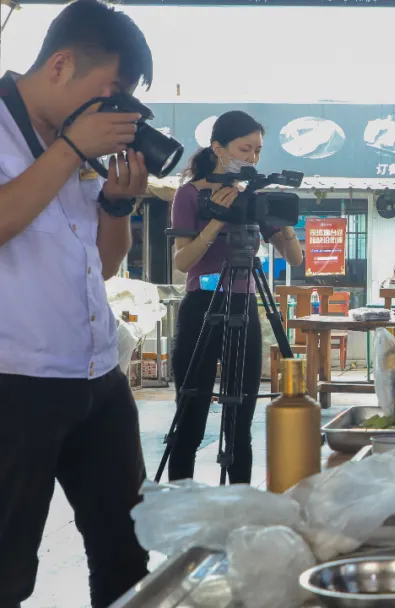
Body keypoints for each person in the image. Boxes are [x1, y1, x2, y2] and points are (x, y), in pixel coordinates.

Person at [0, 1, 153, 605]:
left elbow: (107, 262)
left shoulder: (78, 146)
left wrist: (117, 204)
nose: (114, 109)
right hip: (15, 380)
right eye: (110, 90)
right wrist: (68, 150)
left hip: (96, 372)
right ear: (61, 64)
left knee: (127, 547)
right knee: (8, 562)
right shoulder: (60, 142)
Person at [169, 110, 304, 484]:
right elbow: (183, 262)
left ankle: (239, 502)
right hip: (202, 306)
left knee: (241, 417)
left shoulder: (253, 198)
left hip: (244, 307)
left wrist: (280, 223)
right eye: (245, 148)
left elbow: (296, 259)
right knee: (191, 412)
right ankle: (181, 503)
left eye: (258, 151)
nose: (253, 158)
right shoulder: (189, 194)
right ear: (217, 147)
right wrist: (218, 218)